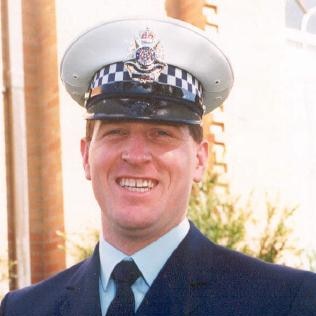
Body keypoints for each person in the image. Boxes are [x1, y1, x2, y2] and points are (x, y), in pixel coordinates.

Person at [1, 16, 316, 316]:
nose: (136, 156)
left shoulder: (282, 302)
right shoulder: (24, 309)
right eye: (116, 132)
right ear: (86, 156)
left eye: (161, 134)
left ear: (200, 160)